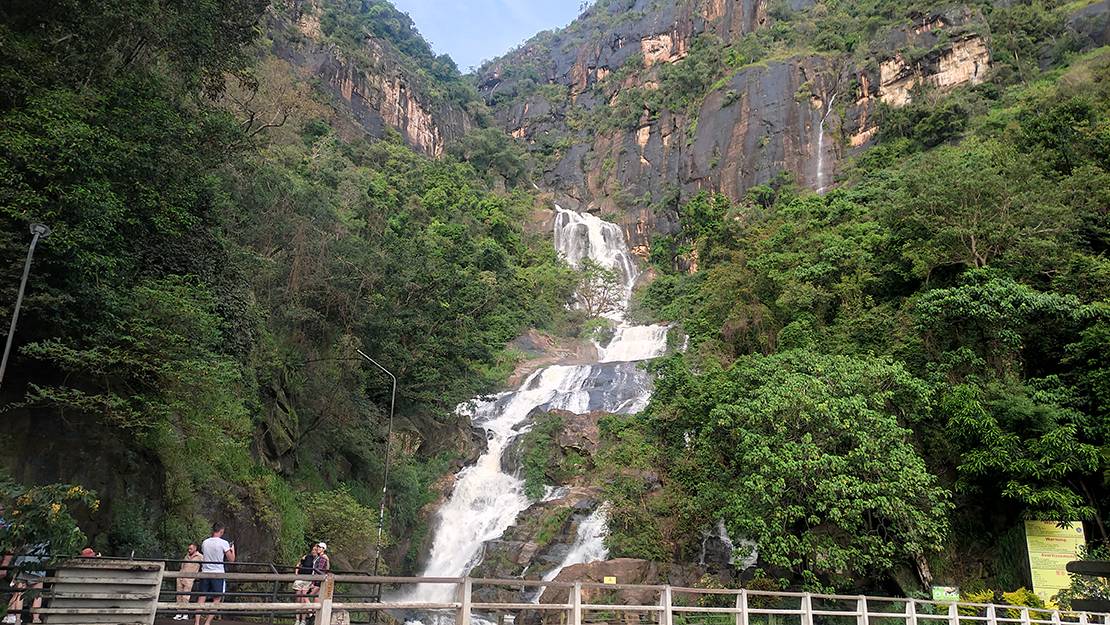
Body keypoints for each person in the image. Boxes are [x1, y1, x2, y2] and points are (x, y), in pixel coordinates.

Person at [194, 525, 235, 625]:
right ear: (221, 531)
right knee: (217, 599)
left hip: (205, 572)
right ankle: (207, 623)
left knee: (201, 598)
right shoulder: (224, 543)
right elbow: (231, 560)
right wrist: (232, 549)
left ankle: (197, 622)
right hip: (218, 574)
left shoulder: (205, 542)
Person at [4, 543, 47, 625]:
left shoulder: (27, 536)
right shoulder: (46, 539)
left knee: (19, 593)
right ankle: (36, 618)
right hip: (39, 569)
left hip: (24, 565)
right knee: (37, 595)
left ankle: (17, 618)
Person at [174, 543, 203, 621]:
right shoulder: (186, 556)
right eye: (189, 548)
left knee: (186, 596)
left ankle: (185, 613)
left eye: (191, 549)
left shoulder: (200, 556)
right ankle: (179, 612)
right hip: (181, 576)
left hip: (190, 578)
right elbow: (182, 565)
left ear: (195, 549)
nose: (189, 550)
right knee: (179, 595)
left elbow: (204, 565)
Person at [291, 544, 319, 625]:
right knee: (298, 599)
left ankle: (303, 620)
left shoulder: (317, 560)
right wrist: (296, 575)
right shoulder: (307, 556)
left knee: (303, 600)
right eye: (313, 550)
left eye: (316, 550)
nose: (314, 551)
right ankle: (297, 620)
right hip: (300, 578)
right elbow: (298, 564)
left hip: (308, 580)